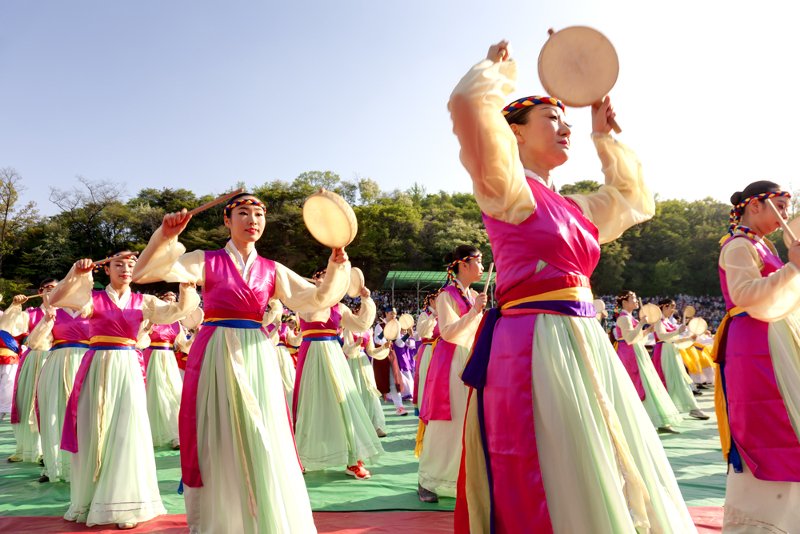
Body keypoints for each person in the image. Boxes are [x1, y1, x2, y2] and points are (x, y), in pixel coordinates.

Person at [450, 41, 695, 532]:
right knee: (560, 459)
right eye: (550, 119)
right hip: (535, 342)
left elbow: (632, 200)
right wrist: (498, 74)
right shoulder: (507, 189)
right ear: (513, 135)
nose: (565, 128)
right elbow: (467, 110)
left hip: (585, 341)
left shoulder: (574, 207)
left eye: (566, 121)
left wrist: (603, 138)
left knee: (605, 453)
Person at [132, 192, 343, 533]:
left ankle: (265, 517)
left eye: (258, 215)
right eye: (243, 214)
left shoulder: (272, 270)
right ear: (227, 221)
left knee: (265, 429)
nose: (252, 221)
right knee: (219, 431)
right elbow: (146, 272)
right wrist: (167, 236)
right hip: (215, 349)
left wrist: (336, 265)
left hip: (257, 352)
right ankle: (224, 521)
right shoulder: (206, 260)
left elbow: (315, 299)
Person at [51, 252, 198, 529]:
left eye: (131, 265)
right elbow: (57, 299)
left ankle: (127, 503)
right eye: (119, 264)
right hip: (97, 364)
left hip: (129, 364)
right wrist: (77, 273)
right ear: (106, 269)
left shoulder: (145, 301)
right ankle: (91, 498)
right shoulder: (91, 297)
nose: (126, 269)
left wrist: (187, 285)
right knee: (95, 428)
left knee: (127, 429)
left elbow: (178, 311)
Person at [713, 180, 800, 532]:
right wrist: (792, 269)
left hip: (774, 337)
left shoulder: (762, 247)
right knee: (769, 424)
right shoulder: (737, 246)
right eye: (779, 203)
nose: (787, 212)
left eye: (789, 205)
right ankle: (761, 522)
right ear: (755, 206)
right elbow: (744, 294)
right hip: (754, 344)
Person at [293, 269, 383, 479]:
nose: (323, 278)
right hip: (310, 356)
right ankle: (302, 457)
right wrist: (318, 292)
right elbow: (311, 312)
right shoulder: (303, 303)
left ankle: (353, 460)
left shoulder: (340, 308)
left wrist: (366, 299)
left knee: (344, 405)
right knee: (308, 404)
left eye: (329, 276)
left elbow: (362, 324)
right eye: (320, 275)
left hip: (333, 356)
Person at [418, 244, 485, 503]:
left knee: (466, 423)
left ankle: (460, 478)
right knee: (447, 421)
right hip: (452, 362)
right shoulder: (447, 295)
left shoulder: (472, 294)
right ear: (464, 264)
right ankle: (428, 480)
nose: (482, 266)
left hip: (469, 360)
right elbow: (447, 332)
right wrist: (475, 312)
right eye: (479, 261)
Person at [30, 295, 90, 483]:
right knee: (55, 413)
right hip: (57, 364)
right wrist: (47, 321)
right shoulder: (54, 313)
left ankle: (86, 467)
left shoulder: (93, 310)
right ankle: (54, 466)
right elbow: (35, 343)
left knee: (85, 414)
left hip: (87, 362)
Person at [613, 290, 682, 434]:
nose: (636, 301)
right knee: (641, 384)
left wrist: (647, 331)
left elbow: (638, 338)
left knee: (649, 383)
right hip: (629, 354)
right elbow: (630, 339)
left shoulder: (629, 317)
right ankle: (645, 420)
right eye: (633, 298)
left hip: (637, 351)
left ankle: (657, 420)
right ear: (625, 302)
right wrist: (641, 325)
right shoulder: (623, 318)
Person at [8, 279, 56, 463]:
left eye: (56, 288)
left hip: (56, 359)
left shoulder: (67, 314)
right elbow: (9, 328)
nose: (52, 292)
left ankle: (50, 450)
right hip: (33, 360)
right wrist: (14, 306)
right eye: (48, 288)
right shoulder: (31, 314)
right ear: (40, 291)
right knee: (27, 402)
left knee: (51, 404)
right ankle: (28, 449)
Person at [142, 290, 196, 449]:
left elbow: (183, 346)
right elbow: (139, 340)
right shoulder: (150, 318)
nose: (171, 303)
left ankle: (175, 436)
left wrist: (194, 337)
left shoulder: (177, 323)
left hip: (168, 358)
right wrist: (148, 327)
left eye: (174, 300)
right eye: (167, 299)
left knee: (173, 394)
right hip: (151, 357)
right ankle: (149, 434)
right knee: (152, 394)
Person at [652, 299, 709, 420]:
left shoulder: (667, 322)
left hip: (672, 352)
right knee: (668, 380)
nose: (674, 309)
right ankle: (669, 410)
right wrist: (678, 331)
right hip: (664, 352)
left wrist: (690, 339)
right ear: (664, 307)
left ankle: (692, 408)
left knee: (680, 379)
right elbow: (662, 337)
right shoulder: (659, 322)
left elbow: (675, 340)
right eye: (672, 306)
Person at [342, 315, 391, 438]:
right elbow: (346, 349)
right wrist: (355, 345)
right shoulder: (348, 329)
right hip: (352, 362)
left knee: (370, 392)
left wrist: (383, 348)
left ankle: (375, 426)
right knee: (355, 391)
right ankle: (357, 427)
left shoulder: (368, 330)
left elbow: (371, 351)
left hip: (364, 362)